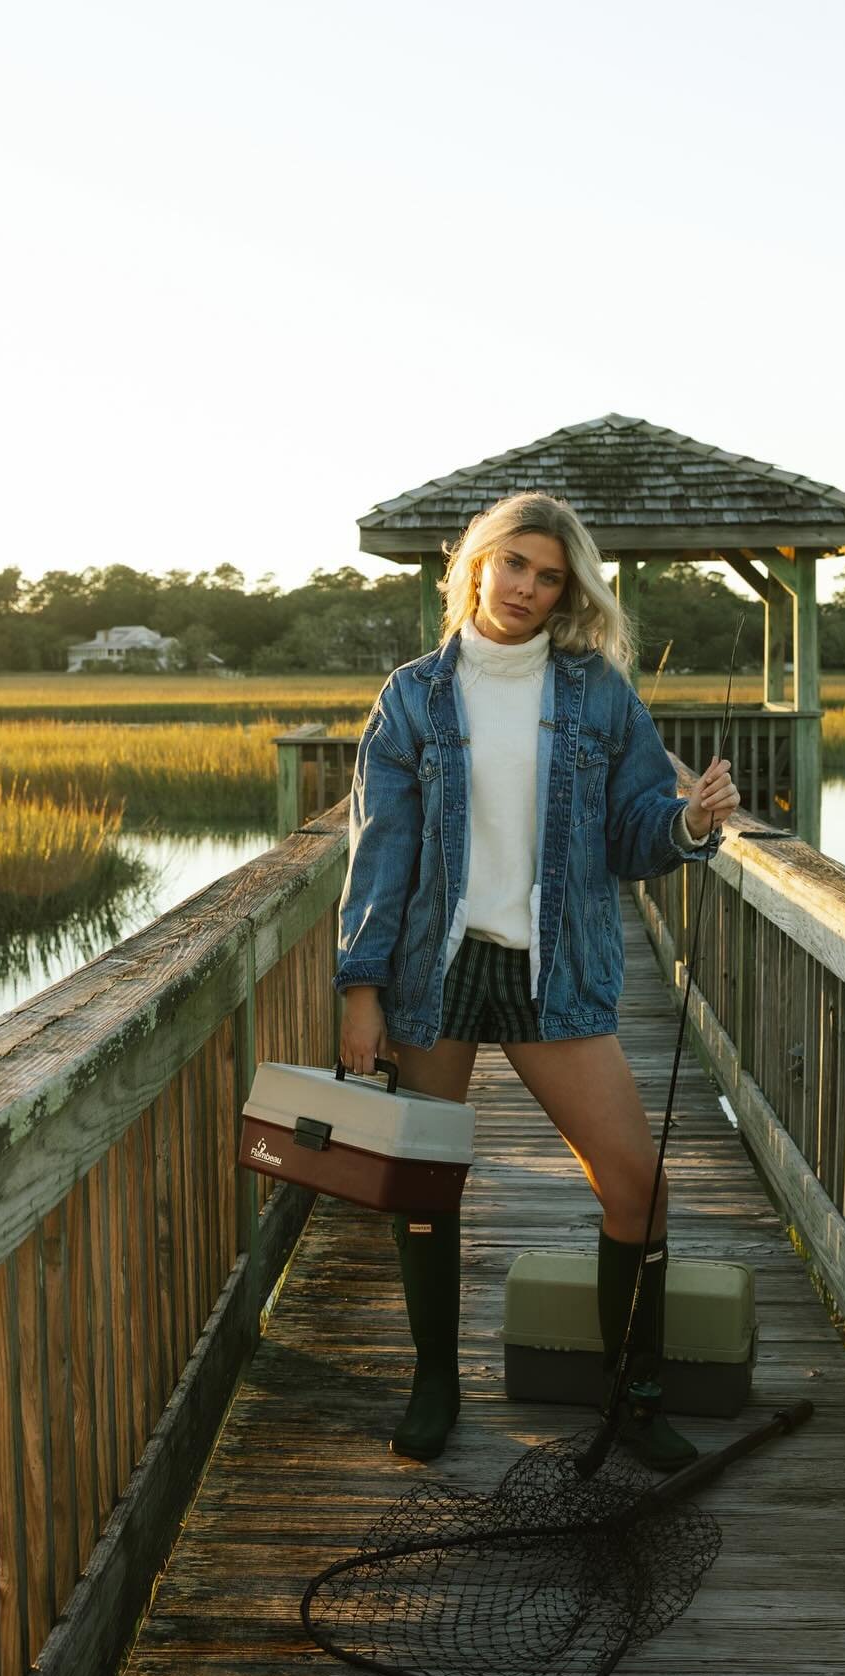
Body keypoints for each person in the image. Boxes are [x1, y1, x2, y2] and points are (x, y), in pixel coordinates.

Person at [336, 491, 740, 1468]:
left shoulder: (597, 691)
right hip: (439, 970)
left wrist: (687, 824)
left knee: (635, 1183)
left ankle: (633, 1398)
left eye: (548, 575)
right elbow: (380, 852)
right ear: (474, 563)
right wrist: (361, 987)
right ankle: (436, 1382)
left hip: (553, 969)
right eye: (513, 562)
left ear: (569, 591)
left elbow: (635, 826)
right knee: (427, 1187)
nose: (525, 586)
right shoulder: (413, 697)